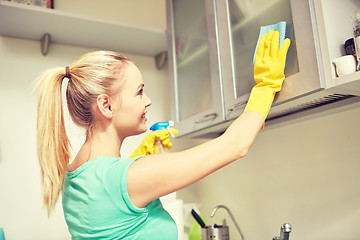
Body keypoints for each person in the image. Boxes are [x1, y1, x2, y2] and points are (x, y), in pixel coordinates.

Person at [35, 29, 290, 239]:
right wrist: (265, 87)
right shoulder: (128, 178)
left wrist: (139, 155)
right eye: (139, 92)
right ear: (106, 106)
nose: (148, 100)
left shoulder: (74, 174)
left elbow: (112, 205)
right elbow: (235, 145)